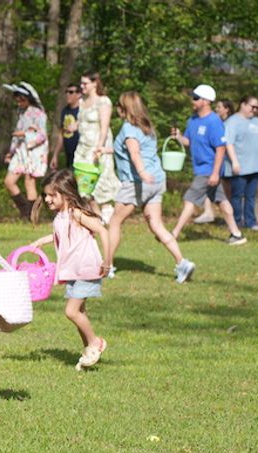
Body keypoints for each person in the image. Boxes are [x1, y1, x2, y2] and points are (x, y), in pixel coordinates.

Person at [103, 92, 194, 281]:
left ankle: (107, 266)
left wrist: (142, 173)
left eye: (119, 107)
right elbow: (130, 150)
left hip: (138, 183)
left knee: (114, 222)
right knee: (156, 224)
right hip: (157, 181)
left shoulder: (128, 128)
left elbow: (135, 154)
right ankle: (182, 263)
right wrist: (106, 150)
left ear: (124, 109)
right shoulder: (146, 127)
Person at [29, 170, 111, 370]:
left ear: (66, 193)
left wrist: (107, 261)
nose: (47, 199)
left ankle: (95, 343)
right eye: (45, 195)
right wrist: (43, 240)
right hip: (73, 270)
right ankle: (88, 349)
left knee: (71, 311)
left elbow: (102, 230)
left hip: (86, 268)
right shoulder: (60, 216)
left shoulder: (76, 212)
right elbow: (62, 235)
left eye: (52, 195)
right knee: (80, 311)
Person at [170, 84, 247, 250]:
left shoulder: (214, 122)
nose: (193, 100)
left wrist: (214, 173)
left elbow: (220, 149)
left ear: (206, 101)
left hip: (208, 170)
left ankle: (174, 234)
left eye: (196, 98)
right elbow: (189, 142)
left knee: (189, 199)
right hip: (203, 170)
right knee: (222, 201)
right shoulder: (193, 120)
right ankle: (236, 234)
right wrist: (179, 137)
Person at [71, 72, 119, 221]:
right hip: (82, 148)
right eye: (81, 83)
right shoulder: (81, 101)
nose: (82, 86)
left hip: (97, 148)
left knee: (101, 184)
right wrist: (74, 126)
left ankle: (107, 216)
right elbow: (82, 121)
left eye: (85, 83)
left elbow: (104, 127)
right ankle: (96, 218)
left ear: (94, 84)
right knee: (83, 186)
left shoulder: (103, 101)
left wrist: (99, 147)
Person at [223, 96, 258, 231]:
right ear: (243, 105)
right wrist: (234, 162)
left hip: (255, 166)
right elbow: (229, 143)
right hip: (240, 166)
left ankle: (250, 222)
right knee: (237, 196)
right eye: (252, 106)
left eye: (257, 107)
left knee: (251, 196)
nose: (254, 110)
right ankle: (236, 222)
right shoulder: (232, 122)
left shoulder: (256, 121)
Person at [1, 82, 48, 219]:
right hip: (20, 152)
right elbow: (17, 133)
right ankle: (25, 210)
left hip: (33, 152)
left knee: (29, 182)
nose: (19, 102)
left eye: (22, 100)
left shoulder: (39, 114)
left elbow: (42, 135)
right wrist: (11, 151)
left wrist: (25, 135)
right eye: (17, 100)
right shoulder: (21, 113)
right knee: (9, 181)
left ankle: (32, 216)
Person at [194, 99, 236, 223]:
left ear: (227, 109)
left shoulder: (223, 123)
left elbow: (224, 145)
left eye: (219, 107)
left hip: (220, 164)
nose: (216, 109)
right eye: (216, 107)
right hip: (218, 164)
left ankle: (213, 214)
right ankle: (233, 229)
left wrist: (234, 161)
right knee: (220, 195)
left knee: (224, 194)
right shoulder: (216, 122)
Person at [50, 83, 81, 170]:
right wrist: (55, 155)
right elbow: (61, 133)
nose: (68, 94)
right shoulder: (65, 111)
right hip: (69, 153)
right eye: (66, 92)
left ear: (79, 94)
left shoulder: (83, 110)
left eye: (71, 92)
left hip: (81, 153)